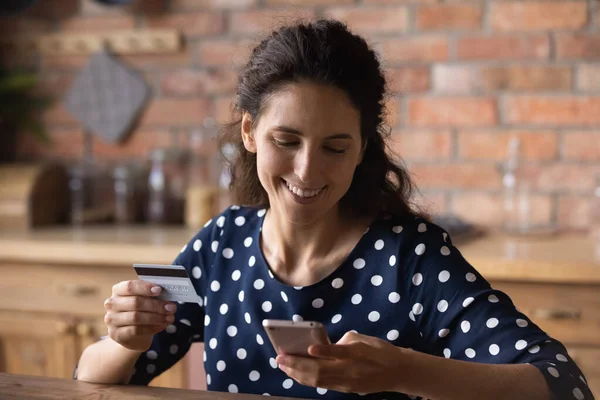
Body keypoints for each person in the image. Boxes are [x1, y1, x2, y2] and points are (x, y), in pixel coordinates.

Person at [75, 19, 594, 400]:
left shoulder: (408, 258)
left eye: (335, 147)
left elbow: (563, 383)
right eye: (287, 139)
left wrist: (403, 371)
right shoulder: (221, 245)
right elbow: (92, 378)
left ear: (363, 148)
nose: (306, 171)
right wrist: (126, 341)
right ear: (250, 132)